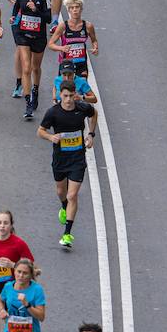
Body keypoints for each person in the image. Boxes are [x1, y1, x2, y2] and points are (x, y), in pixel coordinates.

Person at [37, 80, 98, 249]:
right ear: (60, 96)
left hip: (77, 159)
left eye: (71, 96)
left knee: (72, 196)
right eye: (65, 96)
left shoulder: (81, 108)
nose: (69, 100)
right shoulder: (53, 113)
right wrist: (51, 137)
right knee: (61, 192)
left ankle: (67, 234)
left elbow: (94, 114)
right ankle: (64, 206)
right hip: (60, 159)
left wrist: (91, 134)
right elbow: (40, 131)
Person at [0, 210, 35, 332]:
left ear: (11, 225)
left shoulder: (18, 243)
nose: (2, 226)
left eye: (5, 223)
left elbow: (31, 264)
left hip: (11, 289)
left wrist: (13, 265)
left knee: (14, 330)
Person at [10, 0, 51, 119]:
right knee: (26, 68)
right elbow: (15, 12)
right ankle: (28, 103)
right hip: (23, 35)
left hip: (39, 37)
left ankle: (35, 89)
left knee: (35, 67)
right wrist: (13, 18)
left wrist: (36, 10)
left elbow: (48, 18)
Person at [4, 0, 37, 98]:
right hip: (18, 21)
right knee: (20, 50)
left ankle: (31, 83)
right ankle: (19, 82)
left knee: (31, 55)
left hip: (35, 22)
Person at [48, 0, 98, 80]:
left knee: (82, 85)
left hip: (81, 62)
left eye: (77, 7)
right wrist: (62, 48)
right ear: (69, 10)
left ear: (81, 9)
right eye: (72, 8)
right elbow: (51, 44)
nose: (75, 10)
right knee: (67, 89)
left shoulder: (88, 26)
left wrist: (95, 48)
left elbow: (94, 40)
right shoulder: (63, 26)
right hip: (66, 63)